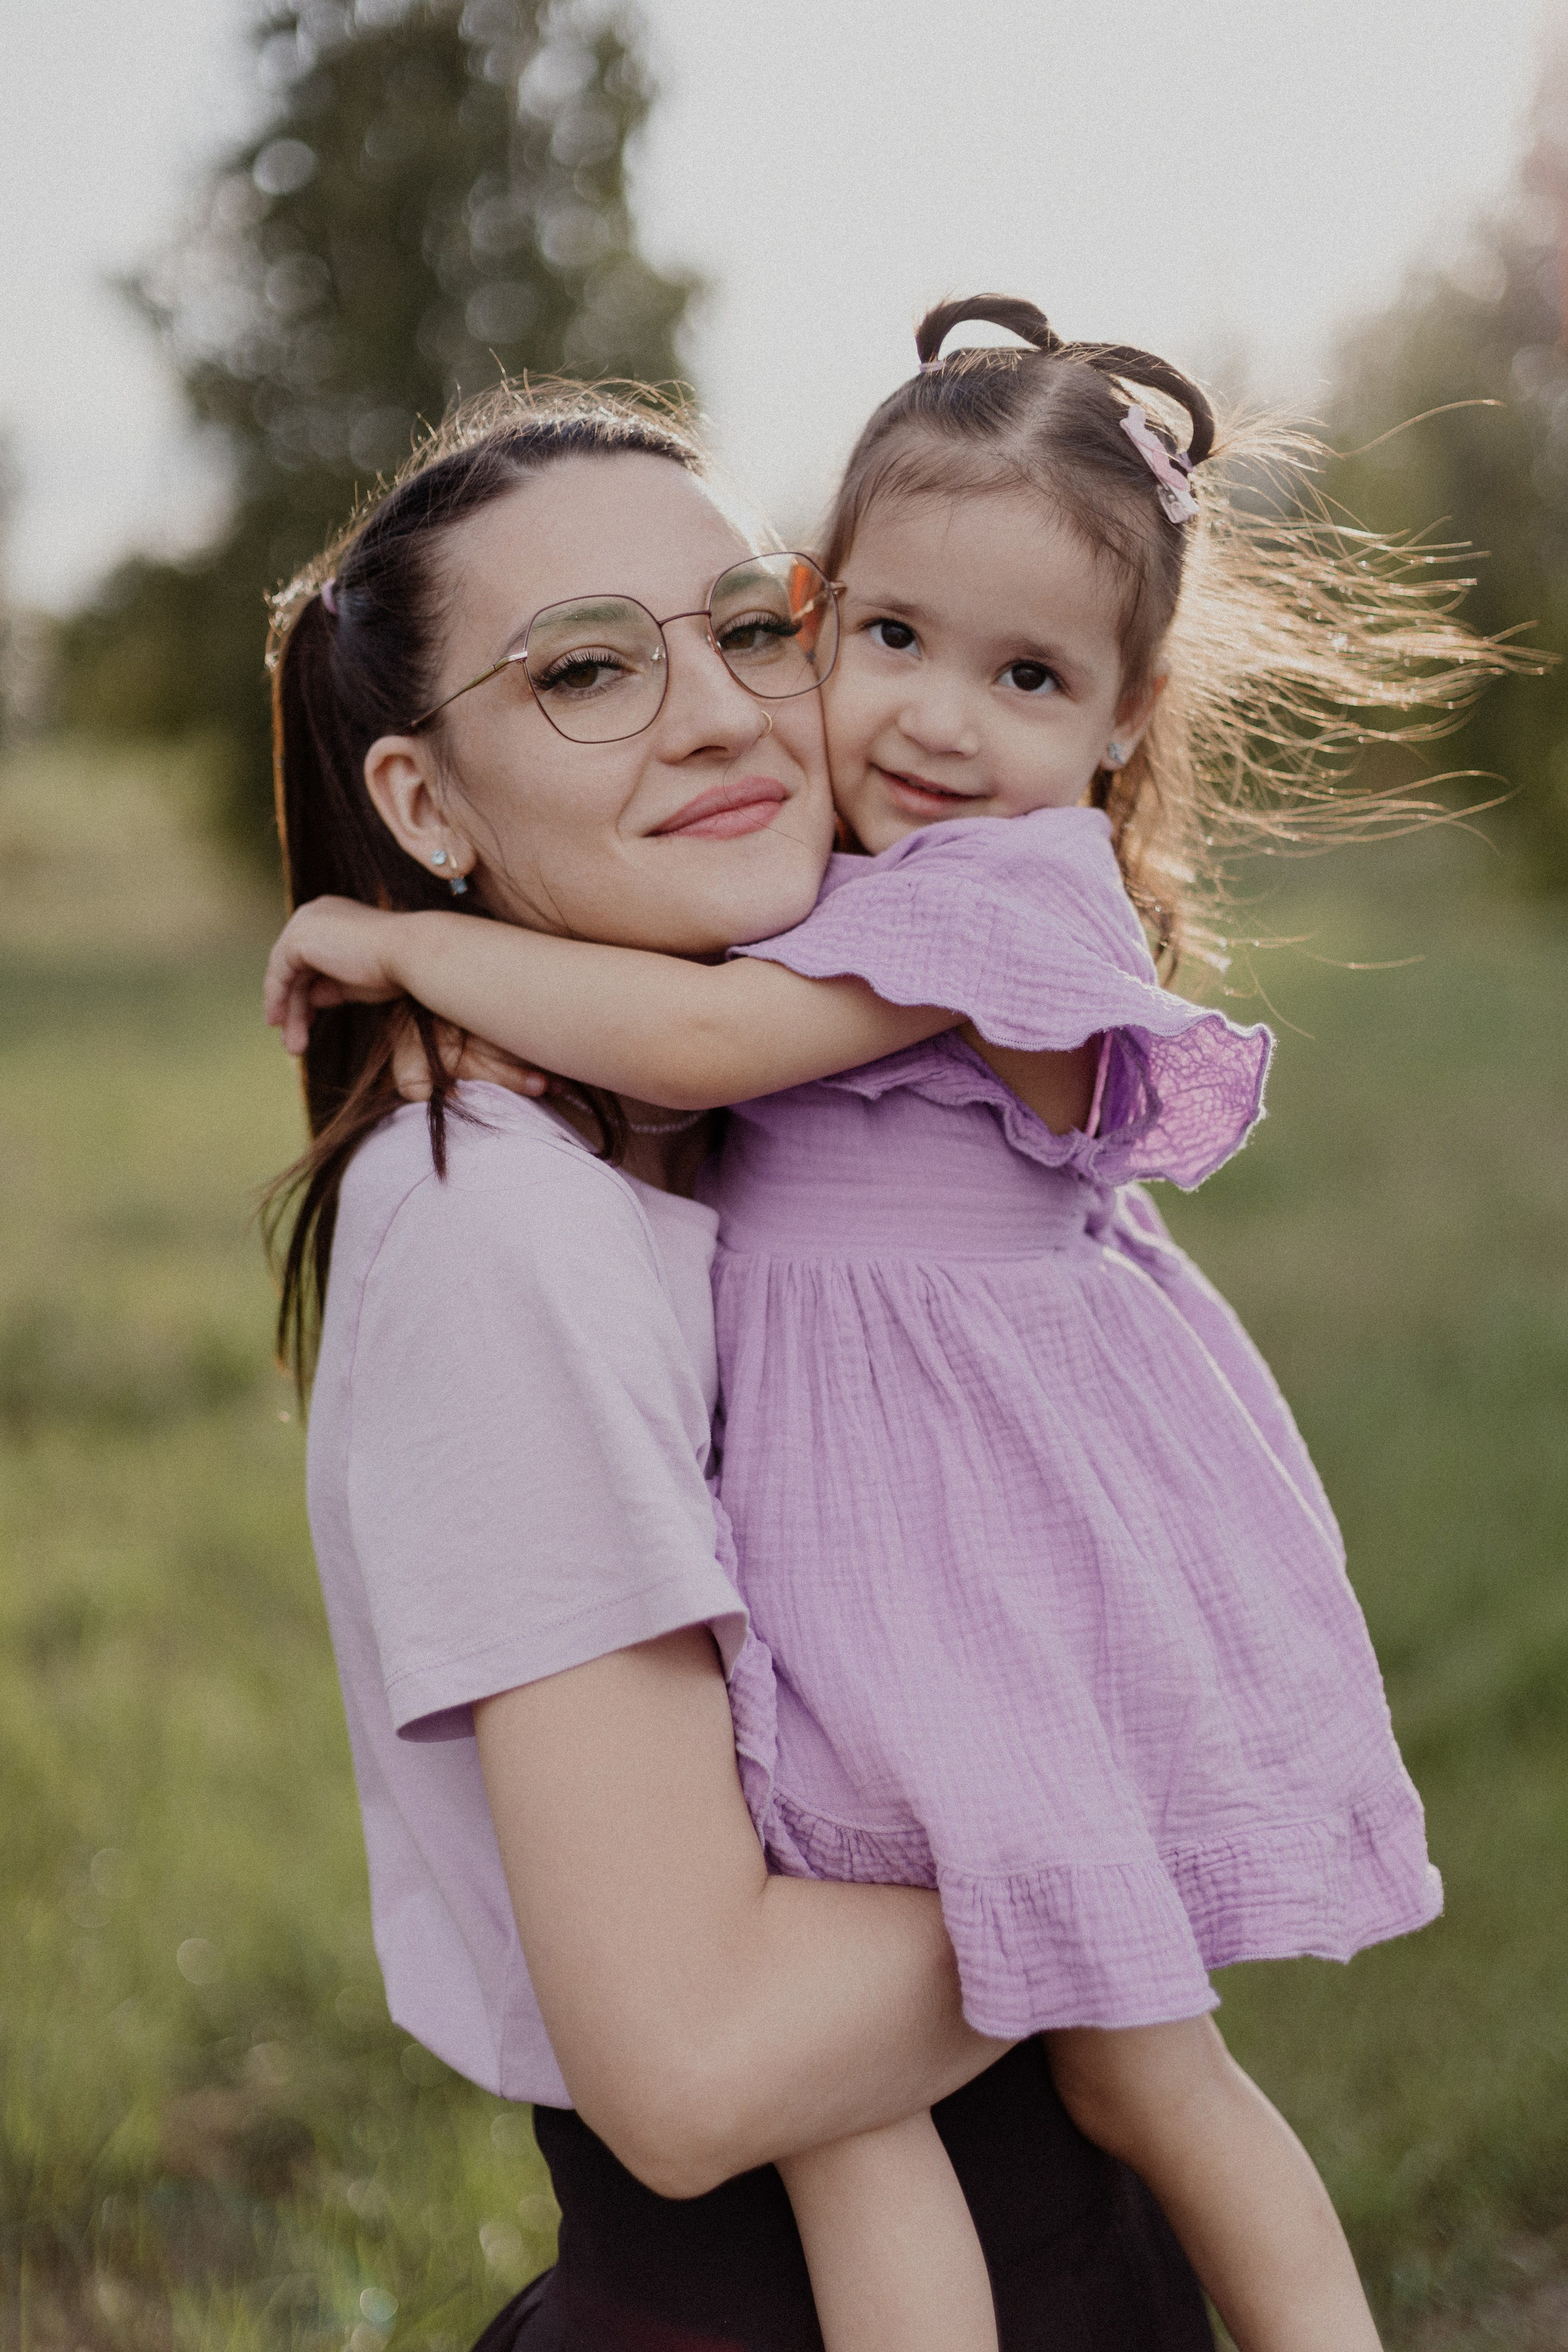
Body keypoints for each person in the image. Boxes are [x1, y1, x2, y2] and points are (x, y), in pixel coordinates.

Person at [268, 300, 1517, 2352]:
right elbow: (695, 2063)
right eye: (589, 668)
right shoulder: (507, 1229)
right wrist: (1133, 1817)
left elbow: (713, 1048)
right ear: (422, 798)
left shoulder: (776, 1037)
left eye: (746, 631)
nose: (732, 717)